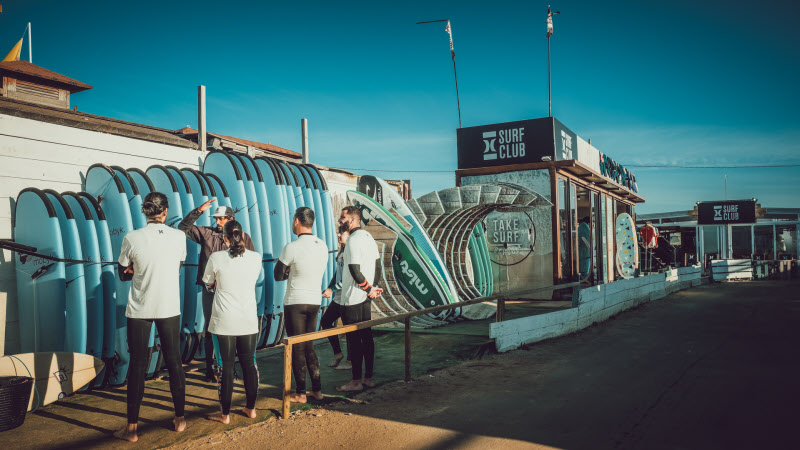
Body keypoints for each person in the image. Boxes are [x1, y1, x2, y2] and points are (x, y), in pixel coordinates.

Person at [115, 192, 187, 442]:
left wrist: (135, 269)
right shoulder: (179, 237)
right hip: (169, 307)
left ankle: (132, 429)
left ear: (145, 212)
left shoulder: (132, 237)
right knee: (174, 361)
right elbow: (175, 268)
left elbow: (122, 273)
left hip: (140, 309)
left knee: (137, 365)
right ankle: (179, 420)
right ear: (165, 212)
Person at [178, 199, 254, 382]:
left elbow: (248, 265)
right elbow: (183, 227)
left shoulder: (244, 238)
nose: (217, 222)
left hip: (232, 292)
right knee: (211, 327)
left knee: (230, 328)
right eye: (216, 219)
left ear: (231, 219)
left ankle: (228, 368)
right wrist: (198, 210)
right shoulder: (207, 233)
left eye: (221, 219)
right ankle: (212, 369)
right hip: (210, 291)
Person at [202, 220, 262, 424]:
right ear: (242, 235)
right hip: (248, 321)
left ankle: (225, 415)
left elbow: (208, 283)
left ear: (224, 239)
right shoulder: (256, 258)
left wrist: (217, 284)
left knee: (225, 367)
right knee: (249, 364)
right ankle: (251, 409)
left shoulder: (216, 257)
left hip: (223, 321)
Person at [274, 207, 329, 403]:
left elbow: (277, 274)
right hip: (315, 301)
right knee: (309, 347)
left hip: (295, 301)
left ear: (296, 221)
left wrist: (289, 271)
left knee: (297, 347)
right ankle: (318, 390)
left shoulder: (292, 247)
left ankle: (301, 393)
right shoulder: (322, 245)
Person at [336, 206, 383, 393]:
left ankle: (355, 381)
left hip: (352, 298)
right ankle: (368, 377)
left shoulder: (354, 241)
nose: (340, 221)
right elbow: (378, 265)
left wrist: (368, 288)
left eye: (342, 218)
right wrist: (372, 288)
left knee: (354, 341)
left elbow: (355, 271)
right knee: (367, 337)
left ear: (353, 220)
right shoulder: (368, 237)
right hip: (365, 298)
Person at [320, 224, 352, 370]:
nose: (339, 236)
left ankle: (351, 361)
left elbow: (347, 278)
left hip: (347, 296)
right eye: (338, 233)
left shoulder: (350, 253)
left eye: (342, 233)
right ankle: (338, 353)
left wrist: (332, 289)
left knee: (348, 328)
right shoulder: (341, 253)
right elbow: (337, 274)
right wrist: (329, 287)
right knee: (325, 321)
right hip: (339, 296)